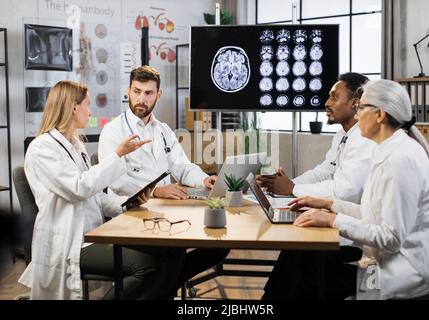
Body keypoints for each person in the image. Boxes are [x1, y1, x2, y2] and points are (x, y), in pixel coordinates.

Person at [267, 79, 429, 299]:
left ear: (380, 115)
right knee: (302, 258)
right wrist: (329, 204)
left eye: (361, 108)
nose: (356, 114)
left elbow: (391, 237)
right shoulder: (389, 151)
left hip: (410, 273)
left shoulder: (402, 160)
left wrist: (332, 220)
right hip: (391, 261)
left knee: (308, 277)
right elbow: (374, 215)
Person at [18, 80, 184, 299]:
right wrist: (118, 155)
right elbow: (79, 188)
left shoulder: (76, 147)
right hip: (69, 244)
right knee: (147, 267)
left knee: (172, 252)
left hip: (93, 234)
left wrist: (128, 204)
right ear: (73, 107)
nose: (90, 111)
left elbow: (95, 197)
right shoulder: (42, 148)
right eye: (87, 104)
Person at [98, 65, 229, 288]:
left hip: (165, 212)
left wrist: (204, 179)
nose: (141, 99)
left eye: (148, 93)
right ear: (128, 91)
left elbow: (183, 166)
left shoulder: (164, 130)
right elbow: (115, 181)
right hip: (132, 214)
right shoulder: (113, 130)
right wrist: (157, 191)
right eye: (137, 91)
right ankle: (162, 288)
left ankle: (161, 288)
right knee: (173, 252)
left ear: (158, 94)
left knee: (218, 248)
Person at [258, 72, 376, 204]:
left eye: (334, 97)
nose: (327, 103)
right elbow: (323, 173)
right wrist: (287, 185)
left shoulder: (364, 139)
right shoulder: (342, 136)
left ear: (355, 103)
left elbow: (344, 191)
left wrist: (293, 189)